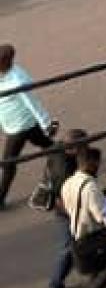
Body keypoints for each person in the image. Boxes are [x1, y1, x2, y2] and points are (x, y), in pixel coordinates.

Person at [0, 41, 54, 208]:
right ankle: (68, 157)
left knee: (8, 162)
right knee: (49, 146)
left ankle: (0, 199)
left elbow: (32, 102)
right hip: (16, 124)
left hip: (20, 126)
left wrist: (46, 122)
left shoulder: (17, 80)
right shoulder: (4, 74)